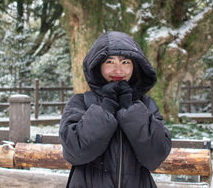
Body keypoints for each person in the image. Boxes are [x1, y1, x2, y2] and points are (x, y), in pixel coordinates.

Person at [59, 31, 172, 188]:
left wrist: (131, 110)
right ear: (97, 66)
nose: (118, 70)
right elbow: (75, 151)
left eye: (125, 62)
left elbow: (156, 155)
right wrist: (105, 109)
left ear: (135, 67)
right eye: (110, 62)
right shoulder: (81, 103)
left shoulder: (146, 105)